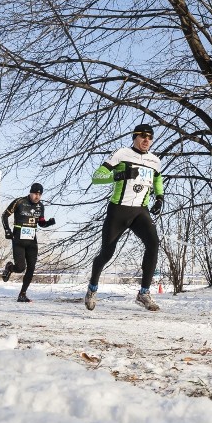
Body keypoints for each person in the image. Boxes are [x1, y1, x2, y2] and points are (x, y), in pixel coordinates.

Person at [84, 123, 164, 312]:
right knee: (107, 253)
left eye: (150, 137)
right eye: (143, 136)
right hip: (118, 210)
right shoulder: (121, 154)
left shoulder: (155, 161)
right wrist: (119, 175)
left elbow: (158, 179)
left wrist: (160, 197)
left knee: (153, 243)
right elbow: (97, 177)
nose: (147, 140)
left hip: (140, 211)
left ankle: (144, 293)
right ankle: (92, 288)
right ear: (134, 137)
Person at [0, 183, 56, 302]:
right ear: (30, 192)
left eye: (40, 194)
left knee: (31, 268)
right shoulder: (19, 202)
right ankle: (10, 267)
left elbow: (41, 223)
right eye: (35, 194)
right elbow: (4, 215)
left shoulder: (40, 206)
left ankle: (22, 294)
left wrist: (49, 223)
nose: (37, 196)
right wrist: (7, 230)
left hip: (31, 242)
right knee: (20, 268)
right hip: (18, 240)